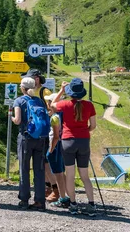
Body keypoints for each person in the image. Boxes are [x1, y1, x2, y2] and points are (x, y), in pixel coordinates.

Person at [51, 78, 97, 216]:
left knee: (70, 175)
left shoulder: (64, 105)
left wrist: (61, 90)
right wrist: (84, 131)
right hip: (83, 140)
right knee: (85, 176)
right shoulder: (89, 105)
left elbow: (52, 105)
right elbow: (93, 126)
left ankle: (73, 204)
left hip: (67, 141)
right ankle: (91, 205)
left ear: (71, 92)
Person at [12, 77, 48, 211]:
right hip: (41, 139)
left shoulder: (19, 101)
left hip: (26, 138)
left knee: (24, 168)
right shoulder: (39, 101)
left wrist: (11, 117)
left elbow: (17, 120)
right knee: (39, 170)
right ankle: (39, 201)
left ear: (22, 88)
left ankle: (24, 199)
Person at [21, 69, 56, 195]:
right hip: (33, 131)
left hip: (44, 131)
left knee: (45, 161)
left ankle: (54, 188)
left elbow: (52, 108)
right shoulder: (31, 92)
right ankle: (48, 187)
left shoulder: (44, 92)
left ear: (36, 79)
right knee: (41, 162)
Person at [44, 92, 70, 207]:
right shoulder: (65, 115)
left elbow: (55, 136)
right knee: (62, 173)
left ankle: (63, 197)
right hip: (65, 145)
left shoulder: (55, 117)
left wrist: (50, 149)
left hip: (56, 146)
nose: (48, 103)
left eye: (49, 101)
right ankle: (69, 196)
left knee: (58, 173)